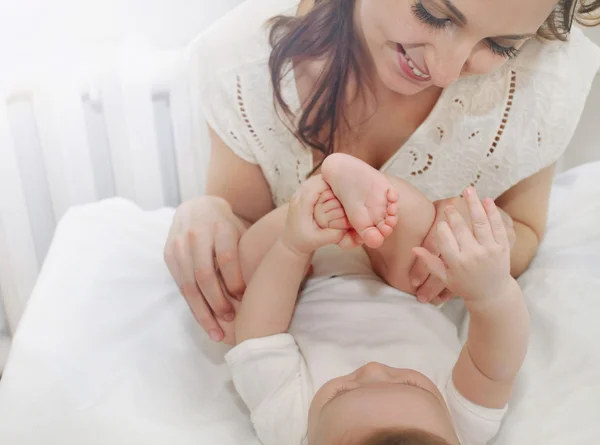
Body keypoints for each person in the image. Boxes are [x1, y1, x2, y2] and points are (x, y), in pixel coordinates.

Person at [165, 0, 600, 342]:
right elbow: (246, 233)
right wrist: (205, 211)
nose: (446, 72)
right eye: (432, 12)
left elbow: (526, 230)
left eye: (502, 45)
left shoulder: (544, 80)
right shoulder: (243, 64)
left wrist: (498, 234)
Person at [225, 164, 529, 445]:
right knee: (422, 224)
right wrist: (492, 293)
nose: (372, 368)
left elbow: (260, 334)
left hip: (300, 282)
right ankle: (371, 195)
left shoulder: (288, 424)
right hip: (409, 283)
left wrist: (293, 246)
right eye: (411, 384)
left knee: (246, 263)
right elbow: (496, 363)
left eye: (341, 392)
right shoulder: (462, 426)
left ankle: (324, 196)